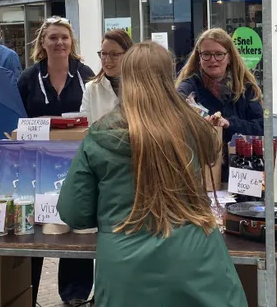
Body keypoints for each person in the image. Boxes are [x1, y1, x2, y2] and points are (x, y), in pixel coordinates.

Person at [57, 41, 248, 307]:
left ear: (126, 77)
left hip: (126, 270)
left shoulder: (99, 137)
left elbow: (74, 212)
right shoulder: (196, 128)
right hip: (199, 264)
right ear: (168, 77)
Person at [17, 17, 95, 306]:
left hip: (78, 164)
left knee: (76, 225)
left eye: (64, 37)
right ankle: (27, 289)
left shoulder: (85, 74)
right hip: (36, 164)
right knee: (36, 229)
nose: (59, 42)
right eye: (53, 38)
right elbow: (17, 118)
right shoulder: (28, 77)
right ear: (42, 43)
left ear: (71, 41)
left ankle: (74, 293)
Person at [176, 28, 263, 177]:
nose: (213, 60)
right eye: (206, 54)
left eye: (219, 54)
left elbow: (261, 128)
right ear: (199, 58)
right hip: (204, 173)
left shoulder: (246, 89)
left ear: (229, 57)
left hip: (243, 174)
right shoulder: (191, 85)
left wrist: (229, 123)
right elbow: (176, 98)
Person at [80, 29, 133, 124]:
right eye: (104, 53)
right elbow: (84, 127)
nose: (107, 60)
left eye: (114, 54)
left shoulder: (140, 86)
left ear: (128, 54)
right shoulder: (91, 88)